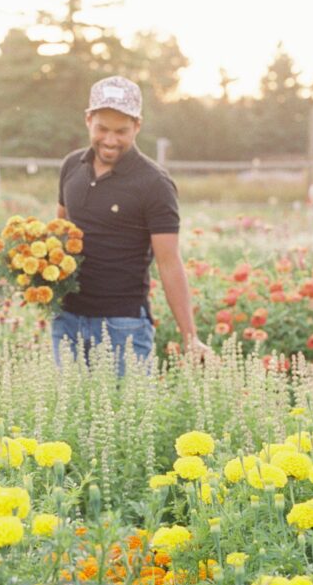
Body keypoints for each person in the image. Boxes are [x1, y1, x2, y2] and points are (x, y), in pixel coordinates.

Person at [52, 75, 207, 374]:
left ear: (137, 125)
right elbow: (59, 231)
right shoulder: (72, 166)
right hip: (67, 320)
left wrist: (190, 337)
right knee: (66, 405)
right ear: (88, 120)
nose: (110, 140)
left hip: (123, 326)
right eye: (102, 129)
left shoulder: (154, 184)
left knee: (129, 406)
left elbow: (169, 262)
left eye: (121, 131)